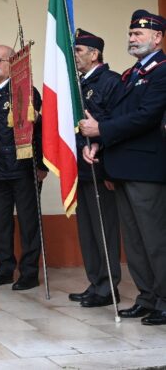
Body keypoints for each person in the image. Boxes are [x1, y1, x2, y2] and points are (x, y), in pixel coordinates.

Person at [80, 9, 166, 325]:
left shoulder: (161, 72)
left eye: (139, 34)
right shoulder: (131, 75)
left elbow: (146, 115)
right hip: (123, 167)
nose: (132, 38)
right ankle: (147, 297)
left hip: (147, 169)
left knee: (155, 239)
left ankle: (165, 299)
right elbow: (119, 115)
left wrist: (101, 131)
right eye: (130, 34)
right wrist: (99, 142)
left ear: (157, 37)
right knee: (135, 241)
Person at [0, 45, 47, 290]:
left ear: (12, 63)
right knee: (2, 223)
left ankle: (29, 273)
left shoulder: (26, 90)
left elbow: (40, 131)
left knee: (29, 223)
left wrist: (41, 165)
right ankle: (5, 269)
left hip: (22, 168)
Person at [69, 29, 121, 308]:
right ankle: (96, 281)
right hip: (79, 167)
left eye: (78, 51)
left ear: (94, 54)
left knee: (105, 229)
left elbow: (115, 123)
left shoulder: (111, 82)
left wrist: (108, 163)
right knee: (88, 230)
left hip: (101, 168)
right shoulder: (77, 83)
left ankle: (108, 286)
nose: (74, 56)